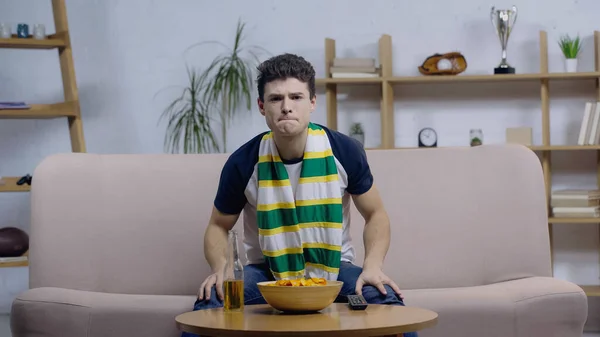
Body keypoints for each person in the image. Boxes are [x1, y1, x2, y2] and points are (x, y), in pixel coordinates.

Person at [182, 53, 417, 337]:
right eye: (275, 98)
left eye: (296, 97)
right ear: (261, 106)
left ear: (312, 103)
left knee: (389, 302)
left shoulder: (344, 151)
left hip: (335, 271)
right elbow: (218, 225)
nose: (286, 107)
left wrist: (372, 266)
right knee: (210, 302)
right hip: (266, 273)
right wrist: (221, 268)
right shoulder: (243, 162)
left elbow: (376, 214)